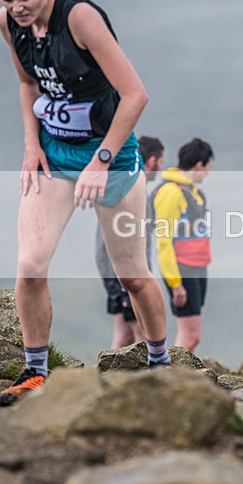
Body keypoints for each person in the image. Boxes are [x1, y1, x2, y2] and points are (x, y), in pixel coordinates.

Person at [0, 0, 170, 405]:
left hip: (112, 156)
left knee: (131, 275)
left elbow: (135, 95)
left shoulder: (80, 18)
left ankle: (160, 363)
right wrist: (30, 145)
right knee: (31, 265)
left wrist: (101, 161)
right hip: (54, 156)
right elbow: (27, 84)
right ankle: (35, 372)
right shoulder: (8, 23)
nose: (16, 8)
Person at [96, 135, 164, 349]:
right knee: (142, 334)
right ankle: (148, 378)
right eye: (160, 162)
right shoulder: (134, 187)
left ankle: (105, 378)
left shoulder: (119, 180)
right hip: (125, 272)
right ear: (152, 160)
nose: (160, 168)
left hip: (110, 270)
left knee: (123, 336)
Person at [152, 138, 213, 353]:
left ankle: (180, 376)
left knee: (192, 334)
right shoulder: (171, 193)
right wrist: (175, 282)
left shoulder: (192, 191)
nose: (207, 173)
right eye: (208, 167)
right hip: (182, 268)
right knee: (190, 336)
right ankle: (170, 377)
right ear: (199, 165)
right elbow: (164, 240)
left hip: (197, 265)